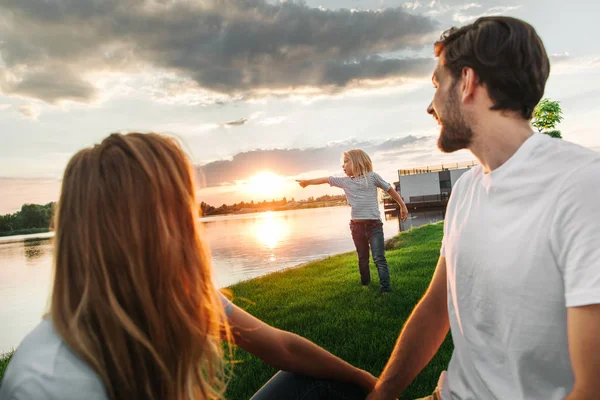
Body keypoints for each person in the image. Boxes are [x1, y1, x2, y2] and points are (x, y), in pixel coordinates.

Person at [0, 133, 376, 400]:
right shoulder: (48, 383)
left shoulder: (175, 294)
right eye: (178, 206)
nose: (190, 221)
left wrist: (369, 382)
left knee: (327, 381)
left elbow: (281, 347)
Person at [366, 16, 600, 400]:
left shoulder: (583, 187)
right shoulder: (466, 190)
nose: (430, 106)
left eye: (437, 83)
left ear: (468, 82)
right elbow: (437, 305)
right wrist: (381, 394)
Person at [297, 149, 408, 293]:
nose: (343, 166)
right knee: (363, 258)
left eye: (345, 162)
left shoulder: (372, 177)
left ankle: (385, 288)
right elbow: (325, 179)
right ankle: (366, 285)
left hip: (374, 225)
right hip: (357, 227)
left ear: (356, 161)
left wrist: (402, 205)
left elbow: (390, 190)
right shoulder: (345, 182)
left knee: (379, 257)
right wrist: (307, 182)